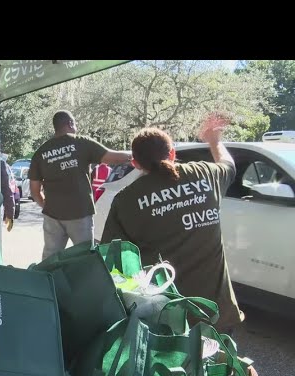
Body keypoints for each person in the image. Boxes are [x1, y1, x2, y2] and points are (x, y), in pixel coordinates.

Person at [100, 113, 244, 334]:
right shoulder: (204, 174)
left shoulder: (126, 200)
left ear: (136, 163)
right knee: (222, 366)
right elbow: (228, 165)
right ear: (173, 153)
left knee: (180, 368)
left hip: (167, 318)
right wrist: (214, 141)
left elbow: (114, 259)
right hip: (217, 313)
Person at [29, 110, 132, 259]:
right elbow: (113, 158)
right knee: (85, 257)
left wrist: (46, 205)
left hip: (52, 215)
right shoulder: (81, 142)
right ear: (70, 124)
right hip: (80, 213)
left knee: (50, 258)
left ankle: (49, 281)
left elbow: (34, 190)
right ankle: (84, 281)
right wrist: (136, 154)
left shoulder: (41, 152)